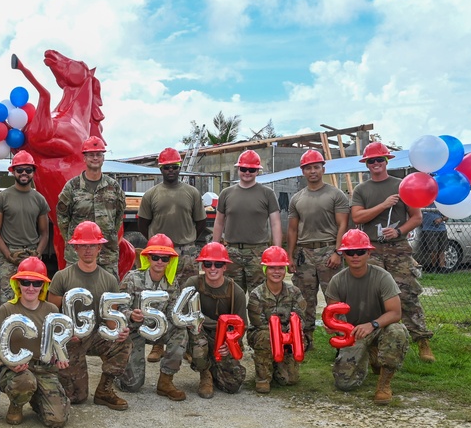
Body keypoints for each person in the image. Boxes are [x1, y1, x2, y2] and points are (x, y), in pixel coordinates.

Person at [349, 142, 434, 362]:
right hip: (371, 250)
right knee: (373, 296)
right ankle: (375, 343)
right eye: (371, 161)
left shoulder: (402, 185)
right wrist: (384, 205)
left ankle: (422, 341)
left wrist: (398, 231)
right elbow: (358, 217)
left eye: (380, 160)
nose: (376, 164)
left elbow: (416, 217)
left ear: (387, 161)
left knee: (407, 294)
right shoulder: (361, 190)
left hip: (398, 250)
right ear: (366, 164)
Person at [46, 221, 139, 411]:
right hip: (71, 339)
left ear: (99, 248)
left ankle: (104, 390)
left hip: (97, 335)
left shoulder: (109, 280)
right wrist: (61, 337)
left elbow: (110, 318)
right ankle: (57, 376)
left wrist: (118, 332)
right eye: (83, 245)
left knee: (124, 342)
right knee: (77, 398)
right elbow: (50, 314)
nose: (87, 250)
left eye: (92, 245)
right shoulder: (62, 277)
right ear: (75, 248)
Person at [137, 147, 206, 363]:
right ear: (161, 169)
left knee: (186, 296)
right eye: (166, 167)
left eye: (174, 167)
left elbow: (201, 222)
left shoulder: (192, 193)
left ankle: (184, 343)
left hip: (185, 250)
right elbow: (143, 223)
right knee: (158, 296)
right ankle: (158, 343)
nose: (170, 170)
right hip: (160, 253)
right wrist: (157, 244)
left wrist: (187, 240)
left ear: (179, 168)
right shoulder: (151, 195)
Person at [326, 229, 410, 405]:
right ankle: (371, 355)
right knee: (344, 383)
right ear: (343, 255)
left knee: (397, 330)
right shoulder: (337, 281)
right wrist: (334, 327)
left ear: (369, 252)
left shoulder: (382, 277)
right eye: (350, 252)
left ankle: (384, 384)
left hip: (379, 328)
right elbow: (333, 314)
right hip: (354, 333)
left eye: (360, 252)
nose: (355, 256)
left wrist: (372, 325)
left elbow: (395, 313)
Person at [0, 257, 71, 427]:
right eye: (26, 282)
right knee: (25, 382)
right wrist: (9, 364)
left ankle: (38, 398)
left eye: (36, 283)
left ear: (43, 286)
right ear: (18, 284)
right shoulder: (7, 309)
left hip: (43, 368)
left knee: (57, 420)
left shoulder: (51, 310)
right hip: (15, 370)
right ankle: (16, 405)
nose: (30, 288)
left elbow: (56, 343)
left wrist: (60, 358)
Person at [285, 150, 349, 348]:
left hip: (328, 251)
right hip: (304, 254)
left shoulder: (335, 194)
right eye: (308, 168)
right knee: (304, 299)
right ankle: (305, 338)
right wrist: (290, 256)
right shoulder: (297, 198)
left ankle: (342, 337)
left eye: (316, 167)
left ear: (323, 168)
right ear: (302, 171)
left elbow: (343, 225)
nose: (312, 171)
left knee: (334, 297)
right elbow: (293, 229)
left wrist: (338, 252)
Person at [117, 234, 189, 401]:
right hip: (134, 331)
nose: (159, 262)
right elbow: (119, 307)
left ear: (170, 260)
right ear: (148, 257)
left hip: (159, 329)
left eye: (164, 258)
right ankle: (116, 373)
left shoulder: (172, 283)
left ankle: (166, 380)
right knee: (132, 386)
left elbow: (173, 312)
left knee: (180, 330)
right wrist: (131, 315)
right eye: (155, 257)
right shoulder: (132, 278)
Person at [212, 149, 281, 294]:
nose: (247, 172)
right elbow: (219, 222)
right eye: (244, 169)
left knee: (259, 295)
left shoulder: (267, 193)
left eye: (252, 169)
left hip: (258, 252)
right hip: (232, 252)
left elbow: (275, 223)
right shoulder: (226, 193)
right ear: (238, 169)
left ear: (257, 171)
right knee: (231, 294)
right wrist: (215, 249)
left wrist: (277, 250)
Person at [56, 136, 126, 276]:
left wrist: (108, 233)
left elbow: (118, 216)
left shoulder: (113, 186)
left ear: (103, 158)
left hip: (106, 254)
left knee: (108, 294)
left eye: (99, 154)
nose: (95, 158)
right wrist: (74, 240)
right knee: (76, 293)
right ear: (84, 158)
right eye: (91, 155)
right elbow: (62, 218)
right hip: (78, 255)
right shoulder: (72, 187)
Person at [185, 242, 248, 398]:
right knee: (199, 343)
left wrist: (230, 344)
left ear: (225, 267)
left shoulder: (236, 292)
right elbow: (187, 313)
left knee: (232, 385)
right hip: (199, 333)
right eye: (208, 263)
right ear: (203, 266)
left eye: (218, 264)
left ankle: (213, 366)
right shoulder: (192, 284)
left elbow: (242, 325)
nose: (213, 268)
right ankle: (205, 374)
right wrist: (218, 324)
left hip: (223, 338)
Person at [0, 151, 50, 305]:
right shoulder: (3, 198)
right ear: (13, 172)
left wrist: (37, 254)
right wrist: (8, 255)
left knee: (33, 298)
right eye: (20, 170)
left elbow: (44, 234)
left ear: (33, 172)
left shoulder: (39, 199)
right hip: (9, 253)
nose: (24, 173)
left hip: (32, 253)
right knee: (4, 299)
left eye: (28, 170)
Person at [247, 246, 305, 394]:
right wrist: (279, 334)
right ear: (265, 269)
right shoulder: (256, 295)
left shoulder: (294, 292)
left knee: (289, 380)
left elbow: (300, 318)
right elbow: (258, 323)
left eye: (280, 268)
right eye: (272, 268)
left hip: (287, 337)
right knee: (266, 336)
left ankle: (280, 364)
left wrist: (289, 335)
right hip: (264, 334)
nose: (276, 272)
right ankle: (263, 377)